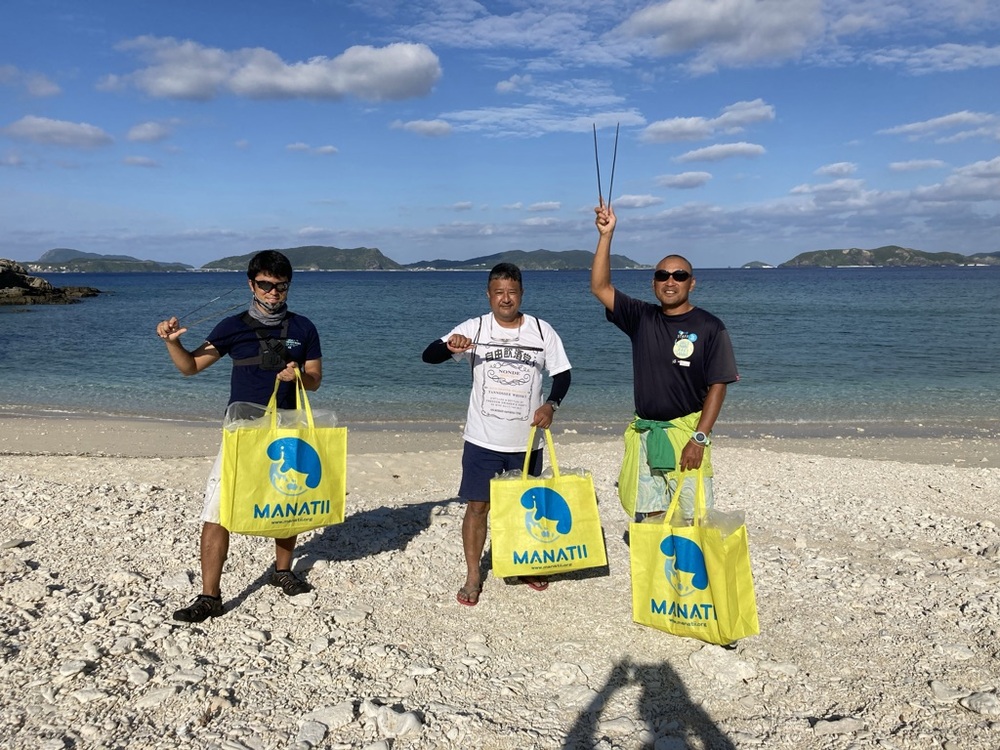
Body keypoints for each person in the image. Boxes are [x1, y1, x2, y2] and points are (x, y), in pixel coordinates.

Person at [156, 250, 323, 622]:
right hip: (241, 430)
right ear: (251, 284)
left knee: (287, 501)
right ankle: (210, 596)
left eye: (281, 286)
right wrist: (172, 342)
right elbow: (191, 366)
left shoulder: (303, 328)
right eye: (265, 285)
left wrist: (298, 376)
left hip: (287, 426)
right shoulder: (232, 326)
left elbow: (315, 380)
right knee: (217, 511)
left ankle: (282, 571)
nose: (273, 292)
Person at [422, 263, 572, 606]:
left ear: (521, 294)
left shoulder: (541, 330)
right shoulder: (474, 327)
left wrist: (551, 405)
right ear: (489, 295)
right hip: (483, 439)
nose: (506, 299)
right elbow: (429, 355)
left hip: (527, 441)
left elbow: (562, 374)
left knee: (525, 507)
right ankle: (473, 574)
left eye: (512, 292)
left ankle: (526, 564)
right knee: (478, 507)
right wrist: (451, 347)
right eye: (499, 292)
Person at [590, 203, 738, 522]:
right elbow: (600, 287)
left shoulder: (710, 326)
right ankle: (658, 557)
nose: (670, 281)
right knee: (652, 515)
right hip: (646, 434)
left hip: (687, 434)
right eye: (662, 275)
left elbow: (719, 385)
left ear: (691, 283)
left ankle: (693, 559)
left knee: (695, 517)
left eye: (679, 276)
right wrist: (606, 235)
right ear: (654, 283)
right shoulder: (641, 318)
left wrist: (699, 438)